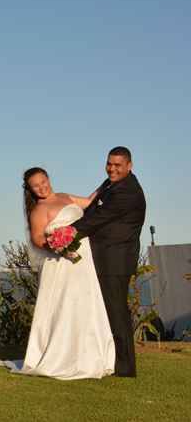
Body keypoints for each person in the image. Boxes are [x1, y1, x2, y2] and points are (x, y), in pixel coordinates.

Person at [0, 167, 115, 379]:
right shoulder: (38, 210)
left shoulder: (64, 196)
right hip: (61, 262)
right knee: (65, 304)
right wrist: (58, 247)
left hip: (83, 259)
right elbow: (37, 239)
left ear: (48, 179)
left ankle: (91, 355)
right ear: (30, 189)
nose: (42, 187)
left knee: (86, 301)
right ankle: (62, 356)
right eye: (36, 185)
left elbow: (90, 202)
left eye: (44, 181)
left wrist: (108, 182)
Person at [70, 146, 146, 377]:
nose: (112, 168)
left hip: (116, 261)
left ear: (129, 166)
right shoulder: (110, 184)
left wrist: (66, 233)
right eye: (109, 164)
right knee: (107, 311)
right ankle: (109, 359)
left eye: (117, 165)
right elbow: (91, 206)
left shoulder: (128, 192)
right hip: (105, 256)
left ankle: (125, 368)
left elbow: (97, 219)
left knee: (116, 312)